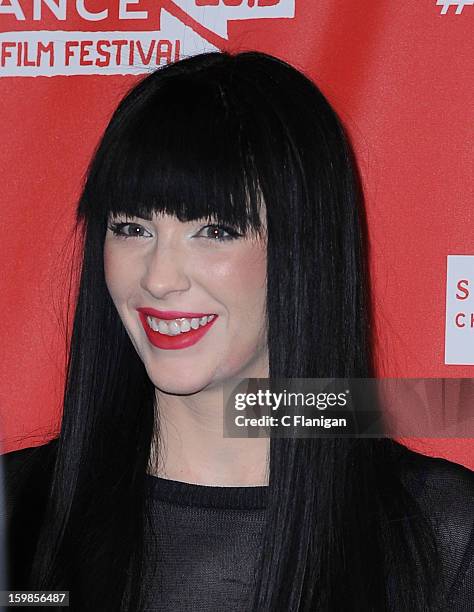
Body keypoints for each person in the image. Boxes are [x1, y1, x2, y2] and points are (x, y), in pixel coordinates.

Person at [3, 51, 473, 612]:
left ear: (305, 254)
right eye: (132, 227)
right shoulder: (15, 513)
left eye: (215, 230)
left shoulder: (437, 534)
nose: (159, 278)